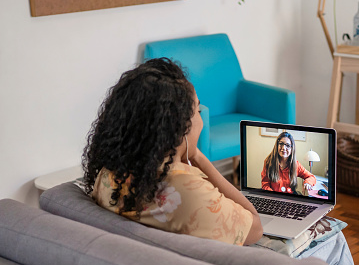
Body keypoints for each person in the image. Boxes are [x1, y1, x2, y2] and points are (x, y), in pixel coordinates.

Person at [82, 58, 263, 246]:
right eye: (198, 111)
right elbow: (255, 228)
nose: (201, 120)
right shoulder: (188, 193)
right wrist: (197, 157)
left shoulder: (107, 178)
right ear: (179, 129)